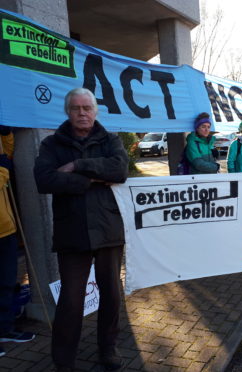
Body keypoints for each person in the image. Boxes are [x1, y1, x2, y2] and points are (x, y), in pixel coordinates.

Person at [33, 88, 129, 371]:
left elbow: (120, 170)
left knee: (111, 294)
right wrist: (89, 181)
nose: (82, 113)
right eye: (76, 108)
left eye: (87, 107)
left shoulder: (110, 140)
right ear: (68, 111)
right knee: (71, 300)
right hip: (71, 233)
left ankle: (107, 349)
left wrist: (78, 166)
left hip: (108, 229)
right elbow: (44, 180)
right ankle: (63, 360)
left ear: (95, 111)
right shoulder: (52, 144)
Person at [0, 126, 35, 358]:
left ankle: (4, 329)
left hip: (6, 229)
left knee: (5, 283)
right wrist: (2, 163)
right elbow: (3, 173)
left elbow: (9, 152)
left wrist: (5, 135)